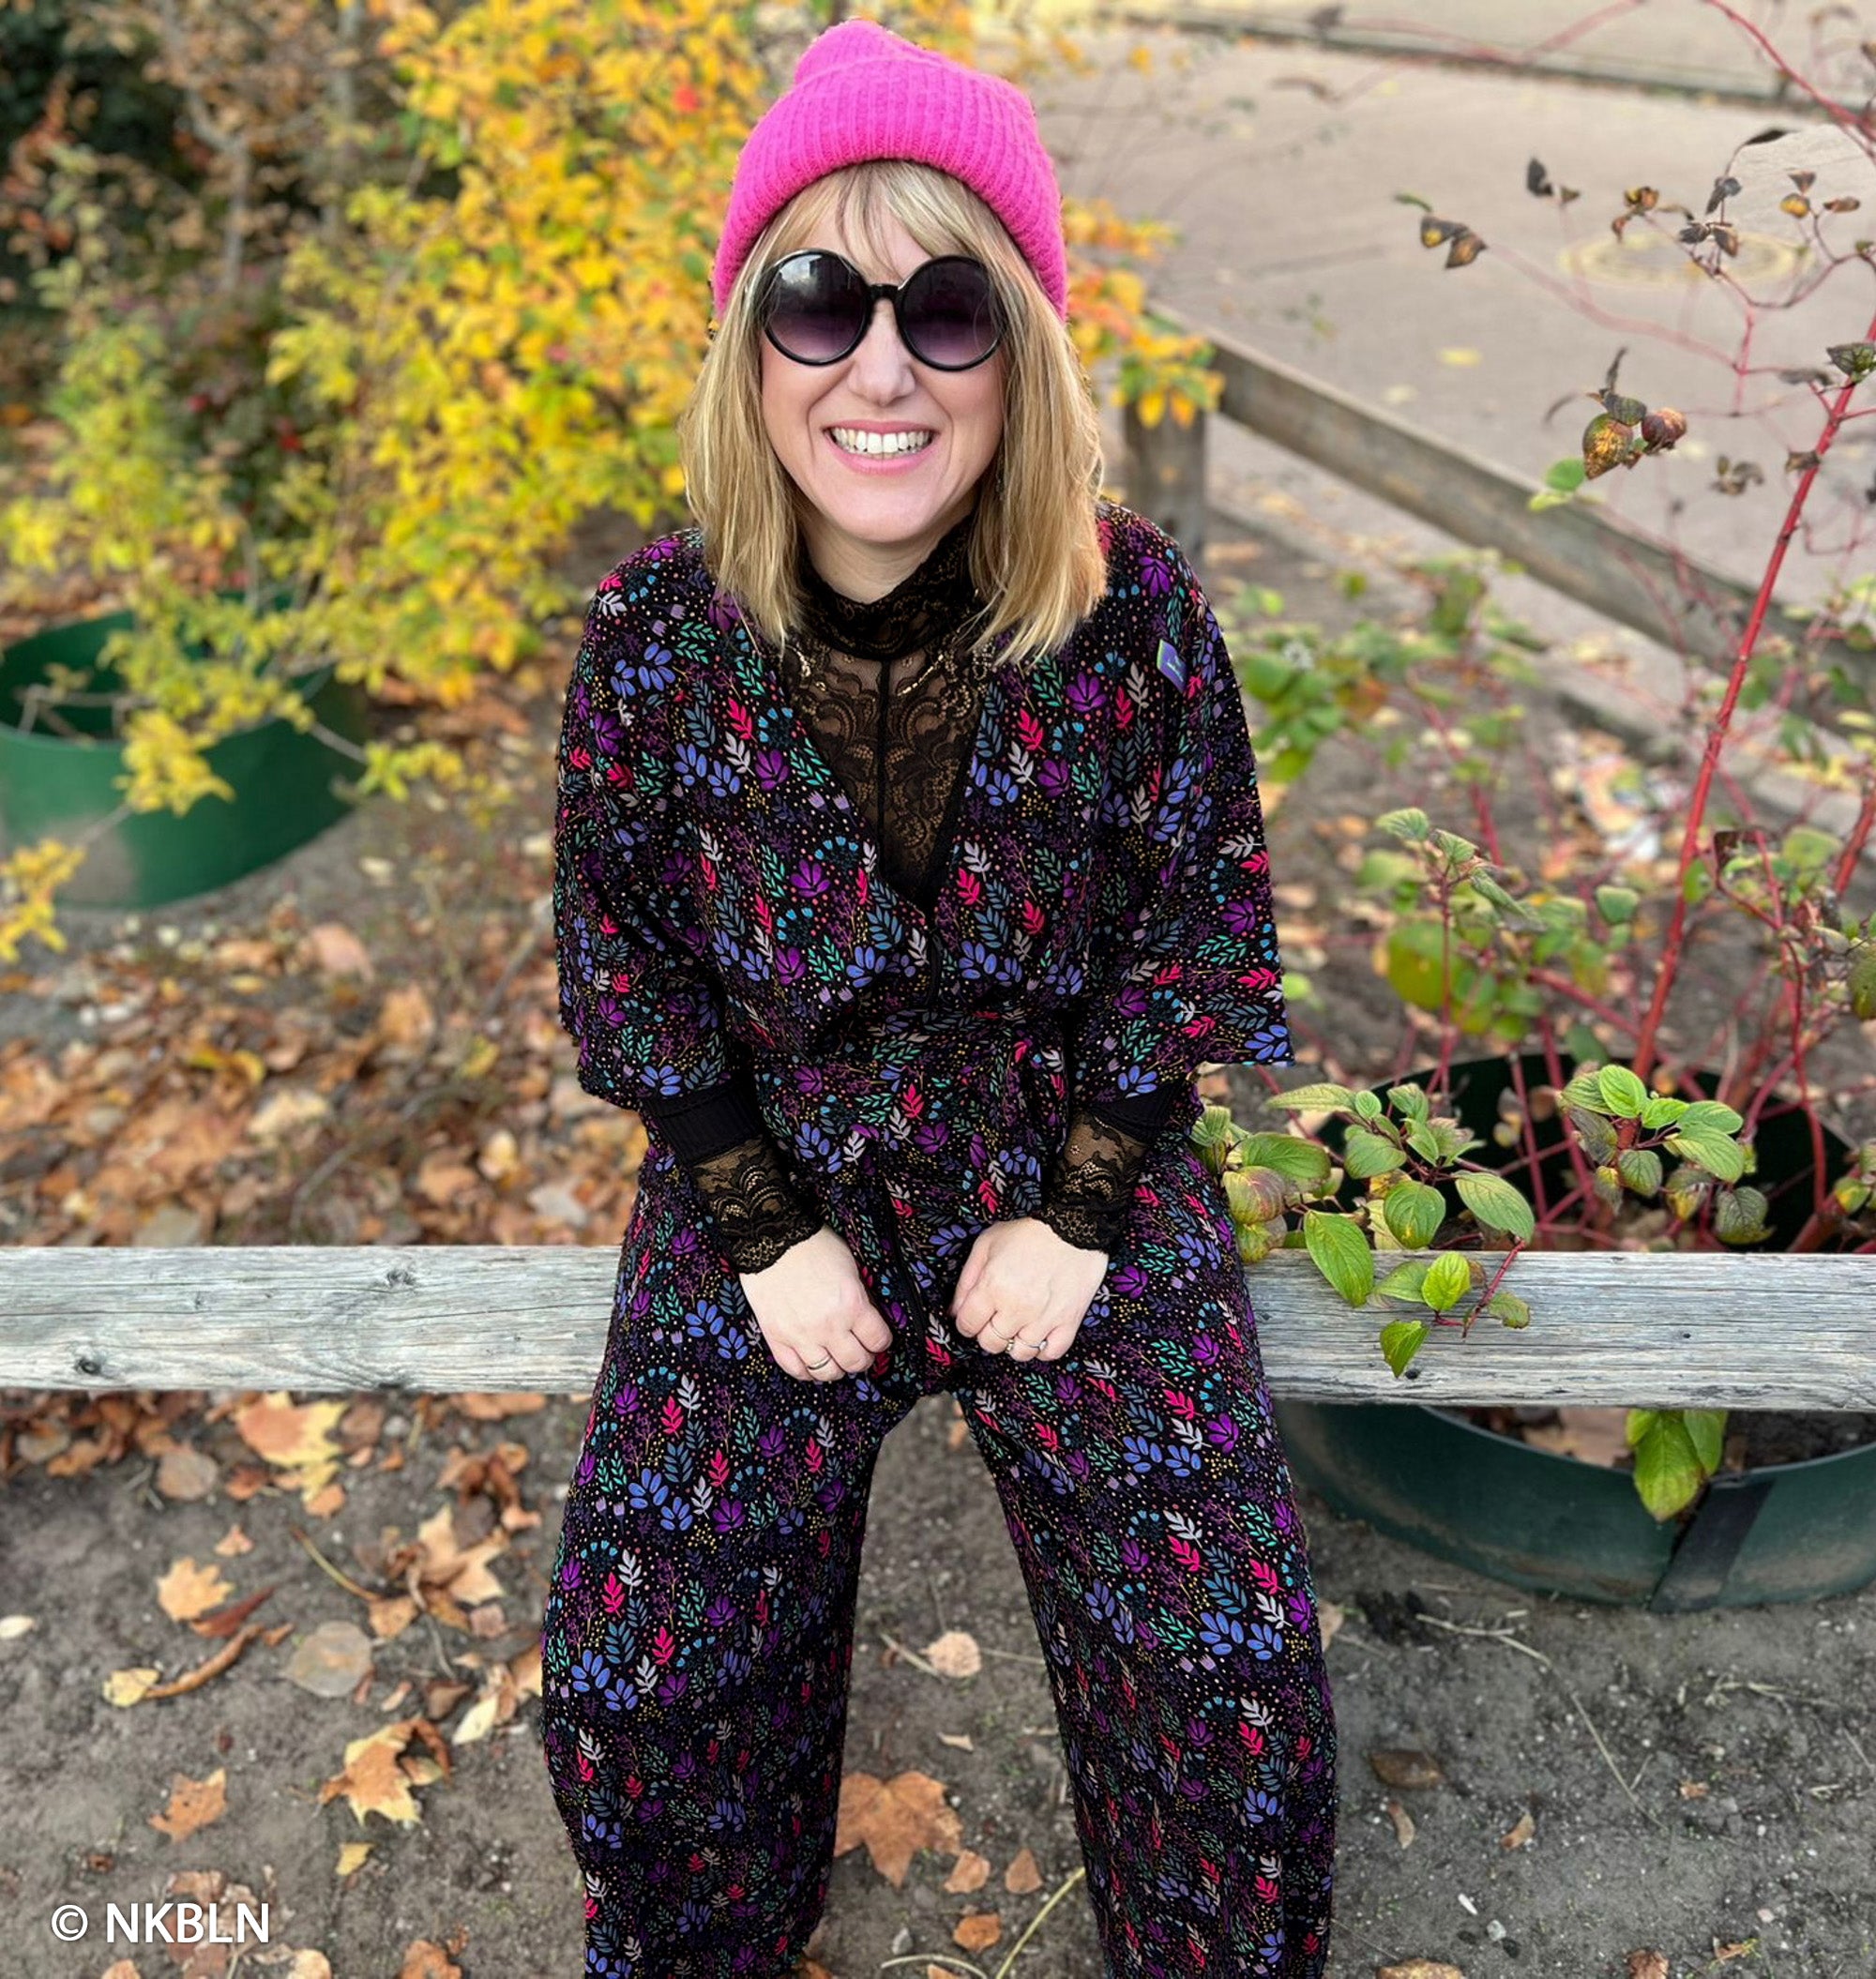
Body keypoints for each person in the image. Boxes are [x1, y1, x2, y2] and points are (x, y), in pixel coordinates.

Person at [538, 19, 1336, 1978]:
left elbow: (1191, 928)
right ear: (753, 341)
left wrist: (1084, 1206)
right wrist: (756, 1222)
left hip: (1069, 1162)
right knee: (645, 1664)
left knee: (1224, 1667)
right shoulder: (655, 635)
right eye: (822, 300)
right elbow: (626, 952)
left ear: (1022, 355)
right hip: (774, 1165)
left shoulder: (1134, 616)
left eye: (949, 308)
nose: (881, 366)